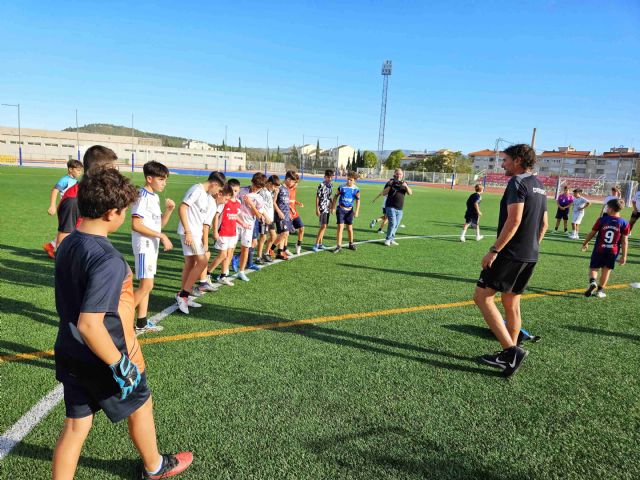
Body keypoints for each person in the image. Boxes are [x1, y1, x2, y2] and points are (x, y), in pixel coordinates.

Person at [52, 168, 192, 480]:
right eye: (124, 211)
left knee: (76, 426)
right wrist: (120, 364)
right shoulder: (107, 258)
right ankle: (155, 467)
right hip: (103, 356)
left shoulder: (67, 243)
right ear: (112, 212)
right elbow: (91, 324)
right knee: (141, 403)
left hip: (69, 350)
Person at [473, 144, 548, 377]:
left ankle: (510, 351)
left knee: (482, 297)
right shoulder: (540, 185)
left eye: (505, 160)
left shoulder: (517, 182)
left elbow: (514, 221)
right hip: (530, 254)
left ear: (517, 160)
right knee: (511, 303)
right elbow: (543, 224)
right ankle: (510, 356)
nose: (502, 164)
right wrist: (531, 247)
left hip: (509, 253)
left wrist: (494, 250)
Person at [130, 161, 175, 335]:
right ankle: (117, 320)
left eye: (165, 179)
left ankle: (141, 323)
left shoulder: (154, 197)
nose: (164, 182)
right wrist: (162, 236)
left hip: (152, 246)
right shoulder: (142, 196)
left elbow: (158, 226)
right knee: (146, 285)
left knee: (146, 285)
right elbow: (136, 224)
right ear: (149, 179)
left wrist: (169, 210)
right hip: (144, 246)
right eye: (161, 179)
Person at [175, 172, 225, 314]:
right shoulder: (197, 189)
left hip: (195, 233)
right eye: (219, 189)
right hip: (190, 233)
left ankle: (184, 294)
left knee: (191, 264)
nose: (218, 192)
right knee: (202, 262)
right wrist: (188, 231)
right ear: (214, 184)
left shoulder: (206, 195)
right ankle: (183, 296)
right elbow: (182, 208)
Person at [581, 198, 629, 298]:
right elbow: (624, 241)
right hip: (613, 251)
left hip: (599, 249)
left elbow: (592, 233)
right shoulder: (624, 223)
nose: (606, 209)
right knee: (606, 270)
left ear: (611, 209)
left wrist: (585, 243)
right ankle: (600, 291)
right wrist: (624, 256)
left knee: (593, 268)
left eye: (607, 207)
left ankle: (593, 282)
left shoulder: (602, 220)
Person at [43, 159, 84, 258]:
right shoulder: (65, 179)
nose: (80, 172)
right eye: (78, 170)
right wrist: (52, 205)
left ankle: (51, 246)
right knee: (68, 230)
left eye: (81, 170)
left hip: (72, 208)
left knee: (72, 229)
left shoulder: (74, 180)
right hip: (66, 209)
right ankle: (60, 252)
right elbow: (55, 190)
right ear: (70, 169)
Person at [208, 180, 243, 286]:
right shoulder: (224, 201)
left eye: (237, 191)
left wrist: (243, 224)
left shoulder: (238, 202)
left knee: (229, 254)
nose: (235, 193)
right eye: (233, 190)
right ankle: (207, 273)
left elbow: (235, 215)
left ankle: (223, 276)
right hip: (223, 232)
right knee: (222, 255)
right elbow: (216, 216)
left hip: (233, 233)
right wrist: (215, 231)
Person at [235, 173, 267, 282]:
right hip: (235, 223)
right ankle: (223, 273)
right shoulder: (241, 190)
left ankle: (241, 271)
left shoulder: (260, 198)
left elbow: (258, 215)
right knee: (230, 248)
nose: (255, 188)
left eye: (258, 187)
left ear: (262, 188)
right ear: (251, 181)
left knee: (245, 248)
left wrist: (251, 204)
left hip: (248, 226)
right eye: (254, 185)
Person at [332, 171, 361, 253]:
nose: (349, 181)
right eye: (348, 179)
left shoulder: (356, 189)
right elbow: (335, 196)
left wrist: (357, 211)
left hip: (349, 211)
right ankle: (338, 246)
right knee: (340, 228)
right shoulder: (341, 187)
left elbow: (358, 201)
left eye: (351, 180)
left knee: (349, 228)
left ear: (354, 180)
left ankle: (351, 244)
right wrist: (333, 207)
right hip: (341, 209)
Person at [383, 168, 412, 246]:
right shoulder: (390, 182)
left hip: (400, 208)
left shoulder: (404, 183)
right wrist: (390, 185)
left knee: (396, 225)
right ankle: (387, 240)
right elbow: (384, 193)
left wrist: (406, 186)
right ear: (394, 174)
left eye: (400, 174)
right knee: (393, 223)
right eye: (397, 174)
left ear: (402, 175)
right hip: (390, 206)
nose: (399, 175)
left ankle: (392, 239)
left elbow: (410, 193)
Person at [255, 175, 278, 264]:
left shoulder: (270, 191)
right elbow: (259, 205)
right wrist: (264, 216)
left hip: (270, 218)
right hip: (264, 218)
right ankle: (258, 257)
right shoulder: (262, 191)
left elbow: (272, 202)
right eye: (274, 186)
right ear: (269, 183)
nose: (275, 188)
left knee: (274, 236)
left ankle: (266, 253)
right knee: (263, 237)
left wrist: (275, 193)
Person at [273, 171, 295, 260]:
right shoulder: (279, 188)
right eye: (293, 181)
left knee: (285, 234)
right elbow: (273, 202)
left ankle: (280, 252)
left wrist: (290, 210)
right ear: (288, 179)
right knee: (284, 233)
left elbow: (285, 203)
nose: (293, 184)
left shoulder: (287, 189)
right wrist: (279, 212)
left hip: (286, 215)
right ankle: (271, 249)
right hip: (280, 216)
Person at [313, 169, 334, 252]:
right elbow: (317, 197)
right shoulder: (321, 185)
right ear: (325, 177)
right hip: (322, 208)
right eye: (328, 177)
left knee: (325, 226)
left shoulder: (331, 185)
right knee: (323, 226)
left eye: (331, 177)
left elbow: (330, 197)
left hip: (327, 208)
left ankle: (320, 244)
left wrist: (332, 206)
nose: (330, 178)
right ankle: (316, 244)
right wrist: (317, 208)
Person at [287, 172, 305, 255]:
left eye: (296, 183)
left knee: (302, 228)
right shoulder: (285, 189)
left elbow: (292, 201)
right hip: (287, 213)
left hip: (295, 213)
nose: (296, 184)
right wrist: (290, 210)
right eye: (295, 182)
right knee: (285, 233)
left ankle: (298, 245)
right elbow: (284, 202)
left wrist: (298, 203)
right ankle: (284, 249)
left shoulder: (294, 189)